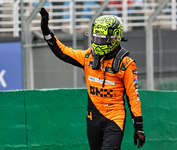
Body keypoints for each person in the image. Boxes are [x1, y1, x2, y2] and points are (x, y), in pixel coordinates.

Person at [39, 7, 145, 150]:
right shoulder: (88, 56)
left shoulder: (126, 64)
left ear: (115, 38)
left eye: (103, 39)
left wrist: (138, 127)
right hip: (92, 118)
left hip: (114, 118)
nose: (98, 42)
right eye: (96, 38)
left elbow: (133, 96)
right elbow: (62, 52)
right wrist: (46, 31)